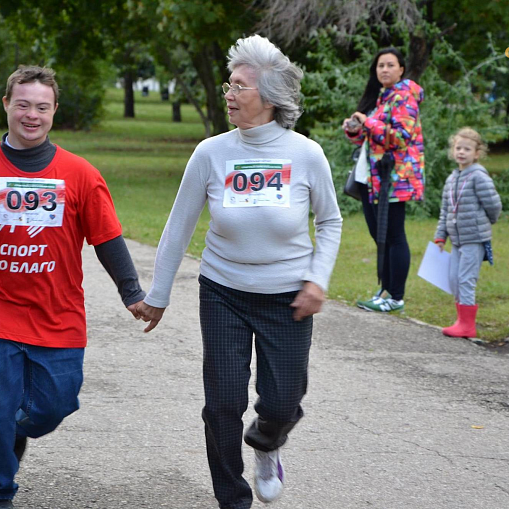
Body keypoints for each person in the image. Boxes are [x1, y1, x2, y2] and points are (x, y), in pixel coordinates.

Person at [136, 35, 342, 508]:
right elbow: (178, 226)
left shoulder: (306, 154)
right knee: (222, 404)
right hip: (224, 291)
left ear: (269, 98)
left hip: (287, 295)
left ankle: (267, 445)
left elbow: (329, 221)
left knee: (283, 401)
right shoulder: (210, 153)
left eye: (239, 86)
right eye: (228, 84)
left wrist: (318, 279)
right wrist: (159, 293)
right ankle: (233, 498)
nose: (228, 93)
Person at [0, 66, 145, 509]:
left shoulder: (79, 174)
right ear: (6, 104)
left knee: (50, 409)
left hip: (57, 318)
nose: (31, 115)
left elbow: (106, 238)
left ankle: (12, 434)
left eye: (41, 107)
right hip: (2, 314)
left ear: (54, 110)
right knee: (0, 410)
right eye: (22, 104)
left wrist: (133, 292)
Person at [342, 47, 424, 313]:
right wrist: (354, 129)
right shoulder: (383, 97)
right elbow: (375, 137)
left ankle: (395, 297)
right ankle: (384, 291)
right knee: (381, 236)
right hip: (372, 178)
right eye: (380, 66)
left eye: (390, 65)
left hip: (394, 179)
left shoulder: (405, 95)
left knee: (394, 236)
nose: (385, 70)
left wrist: (367, 122)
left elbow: (400, 137)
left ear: (401, 69)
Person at [434, 128, 502, 338]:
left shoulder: (478, 177)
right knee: (454, 278)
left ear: (476, 153)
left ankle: (467, 325)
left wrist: (484, 222)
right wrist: (440, 235)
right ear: (453, 151)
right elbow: (445, 210)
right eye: (458, 148)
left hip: (474, 239)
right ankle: (461, 320)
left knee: (466, 279)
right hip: (456, 239)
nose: (462, 152)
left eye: (467, 149)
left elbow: (494, 205)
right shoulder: (452, 179)